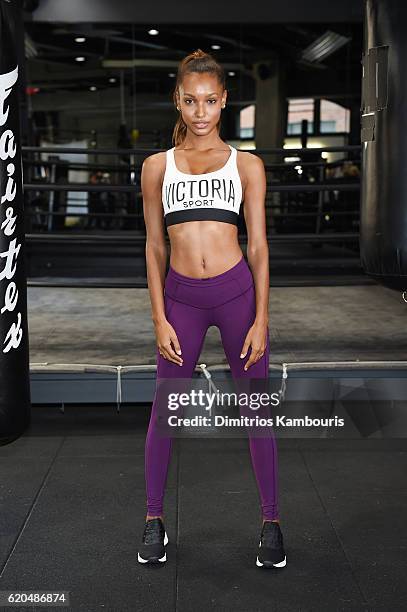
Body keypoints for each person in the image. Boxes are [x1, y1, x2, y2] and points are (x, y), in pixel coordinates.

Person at [138, 49, 286, 569]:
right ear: (177, 102)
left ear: (223, 101)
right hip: (181, 300)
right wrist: (158, 317)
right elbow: (155, 247)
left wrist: (262, 317)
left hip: (237, 297)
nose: (200, 111)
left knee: (256, 411)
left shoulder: (246, 165)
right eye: (190, 101)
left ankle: (271, 522)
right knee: (166, 411)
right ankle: (154, 520)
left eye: (209, 101)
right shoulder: (156, 167)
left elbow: (260, 246)